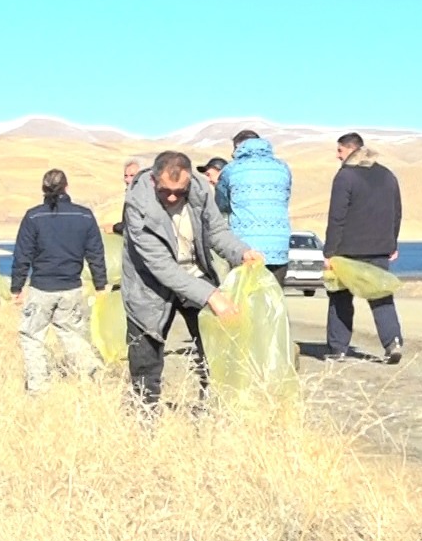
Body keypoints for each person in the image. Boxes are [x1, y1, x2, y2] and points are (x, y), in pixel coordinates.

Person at [120, 151, 261, 407]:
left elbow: (216, 230)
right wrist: (211, 295)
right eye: (165, 191)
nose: (173, 197)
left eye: (179, 191)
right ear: (153, 180)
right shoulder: (137, 204)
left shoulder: (200, 191)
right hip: (148, 286)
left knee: (216, 350)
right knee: (146, 363)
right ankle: (144, 421)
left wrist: (240, 252)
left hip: (194, 275)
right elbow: (161, 266)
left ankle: (212, 414)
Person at [10, 170, 108, 394]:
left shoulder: (34, 217)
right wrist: (100, 284)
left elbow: (22, 255)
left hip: (41, 289)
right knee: (74, 335)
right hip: (71, 288)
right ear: (66, 186)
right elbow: (96, 253)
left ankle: (38, 388)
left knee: (32, 336)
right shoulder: (84, 216)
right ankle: (92, 379)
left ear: (43, 189)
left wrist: (16, 287)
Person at [323, 133, 404, 364]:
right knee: (381, 297)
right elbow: (396, 212)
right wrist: (392, 243)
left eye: (339, 151)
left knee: (339, 298)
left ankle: (338, 348)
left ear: (349, 149)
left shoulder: (345, 176)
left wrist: (329, 253)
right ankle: (393, 343)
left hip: (347, 251)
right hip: (379, 248)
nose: (337, 156)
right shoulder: (388, 175)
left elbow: (336, 217)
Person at [219, 131, 293, 285]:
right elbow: (285, 197)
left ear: (239, 146)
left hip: (245, 248)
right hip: (278, 247)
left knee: (245, 300)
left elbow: (221, 203)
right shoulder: (282, 168)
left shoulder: (231, 169)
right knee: (273, 300)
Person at [111, 158, 144, 235]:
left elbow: (133, 227)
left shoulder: (141, 198)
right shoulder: (131, 195)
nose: (128, 180)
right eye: (126, 176)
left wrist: (114, 228)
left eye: (132, 176)